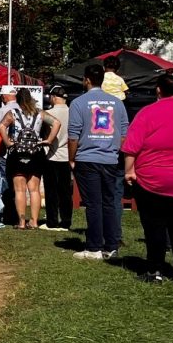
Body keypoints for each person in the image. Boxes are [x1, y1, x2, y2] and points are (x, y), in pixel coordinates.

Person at [121, 71, 173, 284]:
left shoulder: (148, 112)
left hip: (154, 178)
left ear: (158, 90)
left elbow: (132, 147)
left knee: (154, 225)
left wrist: (129, 171)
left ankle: (155, 269)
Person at [68, 61, 129, 260]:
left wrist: (71, 158)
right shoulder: (117, 103)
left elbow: (73, 135)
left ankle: (94, 247)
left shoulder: (78, 103)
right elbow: (123, 134)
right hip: (110, 158)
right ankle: (111, 245)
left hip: (87, 157)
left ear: (86, 80)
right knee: (109, 202)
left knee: (93, 204)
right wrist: (115, 151)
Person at [1, 89, 54, 230]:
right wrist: (48, 140)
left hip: (17, 153)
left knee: (20, 190)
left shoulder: (13, 113)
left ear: (17, 100)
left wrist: (7, 142)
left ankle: (22, 222)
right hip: (36, 152)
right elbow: (57, 123)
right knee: (34, 189)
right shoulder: (40, 113)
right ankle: (34, 221)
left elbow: (1, 126)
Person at [40, 87, 74, 232]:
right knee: (66, 191)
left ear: (53, 97)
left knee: (51, 190)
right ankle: (66, 221)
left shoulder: (48, 114)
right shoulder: (74, 113)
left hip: (52, 155)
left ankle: (52, 221)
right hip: (68, 156)